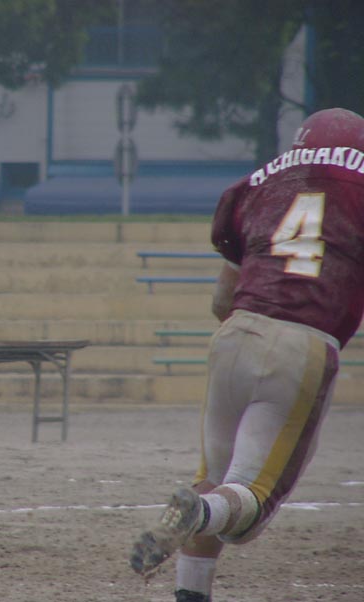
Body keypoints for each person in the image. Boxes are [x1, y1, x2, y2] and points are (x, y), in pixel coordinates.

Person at [129, 107, 364, 601]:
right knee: (247, 506)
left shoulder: (260, 181)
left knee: (212, 480)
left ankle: (191, 590)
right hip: (303, 344)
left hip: (236, 333)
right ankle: (201, 512)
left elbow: (221, 299)